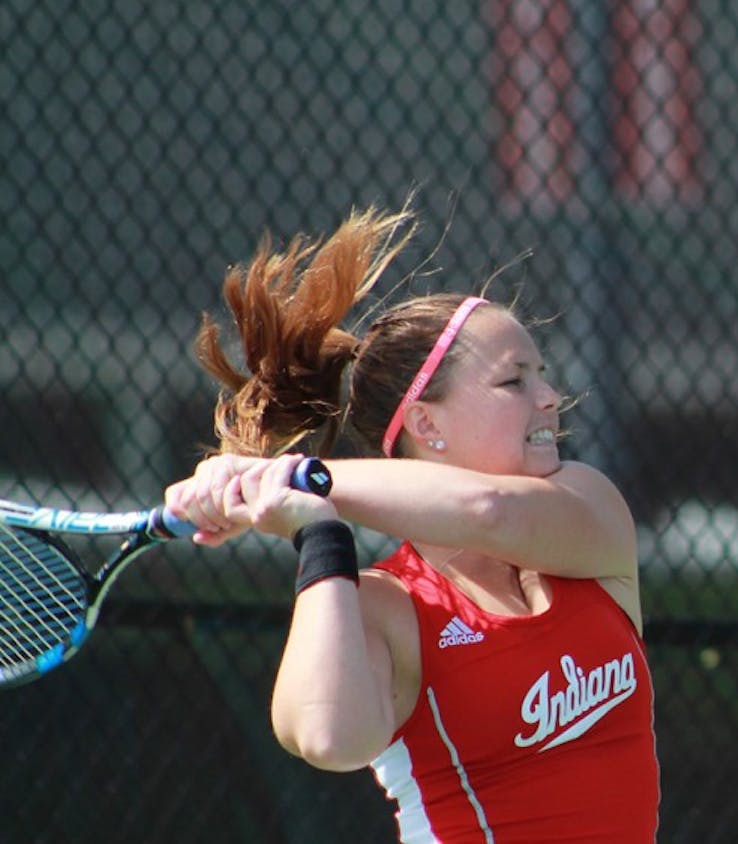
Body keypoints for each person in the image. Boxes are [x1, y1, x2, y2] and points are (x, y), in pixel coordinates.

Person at [163, 207, 659, 843]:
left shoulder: (588, 510)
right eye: (514, 380)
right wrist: (319, 533)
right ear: (427, 425)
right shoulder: (385, 603)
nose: (549, 397)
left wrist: (306, 477)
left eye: (542, 374)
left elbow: (489, 510)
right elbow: (326, 736)